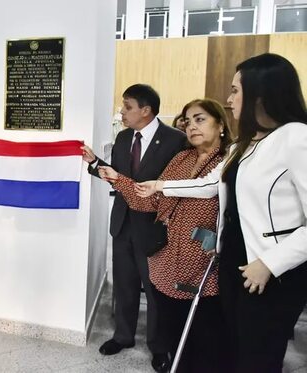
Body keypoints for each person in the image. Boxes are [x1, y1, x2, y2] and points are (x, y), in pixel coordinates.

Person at [137, 53, 307, 373]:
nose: (229, 100)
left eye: (235, 90)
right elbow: (210, 184)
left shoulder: (296, 137)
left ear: (261, 92)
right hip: (233, 261)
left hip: (270, 270)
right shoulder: (245, 144)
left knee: (258, 356)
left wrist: (270, 263)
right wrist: (160, 186)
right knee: (233, 349)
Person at [98, 98, 232, 372]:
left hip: (205, 266)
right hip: (165, 261)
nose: (192, 126)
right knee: (171, 330)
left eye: (200, 119)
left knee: (204, 339)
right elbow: (151, 201)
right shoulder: (182, 159)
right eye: (187, 120)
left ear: (220, 125)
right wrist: (118, 179)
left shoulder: (230, 163)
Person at [81, 84, 186, 372]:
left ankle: (158, 345)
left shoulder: (175, 140)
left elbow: (174, 188)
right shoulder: (124, 137)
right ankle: (123, 336)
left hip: (154, 229)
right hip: (123, 225)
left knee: (155, 291)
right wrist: (94, 163)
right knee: (124, 285)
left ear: (146, 110)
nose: (122, 112)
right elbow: (119, 177)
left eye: (127, 107)